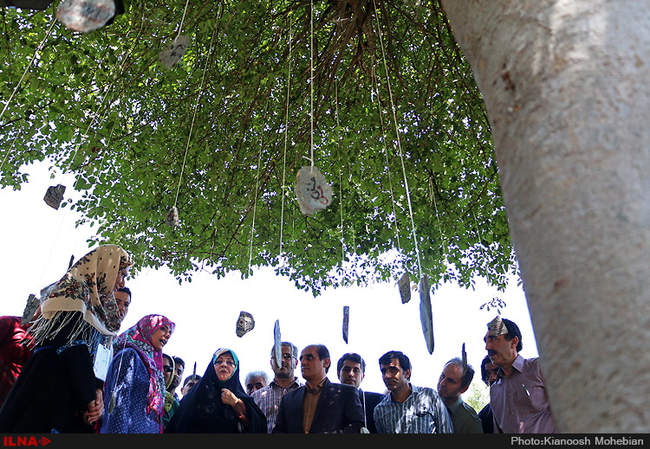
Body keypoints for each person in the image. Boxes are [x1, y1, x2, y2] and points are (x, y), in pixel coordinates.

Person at [0, 244, 132, 433]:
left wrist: (97, 392)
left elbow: (96, 359)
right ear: (107, 268)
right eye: (121, 274)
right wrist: (90, 398)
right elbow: (73, 346)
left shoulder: (102, 310)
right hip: (45, 392)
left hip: (74, 398)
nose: (122, 283)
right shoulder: (75, 292)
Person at [99, 314, 175, 433]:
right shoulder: (130, 355)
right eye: (163, 328)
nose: (168, 335)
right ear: (148, 328)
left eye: (170, 332)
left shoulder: (153, 367)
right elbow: (118, 405)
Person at [484, 315, 558, 433]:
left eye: (493, 339)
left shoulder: (539, 368)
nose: (487, 347)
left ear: (514, 342)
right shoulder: (494, 390)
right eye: (486, 341)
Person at [166, 348, 267, 433]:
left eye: (230, 362)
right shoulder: (193, 398)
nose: (224, 365)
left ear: (236, 369)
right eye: (218, 361)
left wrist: (235, 403)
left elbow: (260, 428)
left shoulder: (244, 400)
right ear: (211, 367)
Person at [273, 344, 364, 434]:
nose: (303, 362)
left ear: (326, 362)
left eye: (309, 358)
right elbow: (279, 431)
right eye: (301, 359)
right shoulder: (288, 399)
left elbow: (356, 427)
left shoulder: (346, 393)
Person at [373, 350, 453, 434]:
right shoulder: (380, 410)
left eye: (393, 370)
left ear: (407, 373)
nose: (387, 376)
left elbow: (446, 430)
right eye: (383, 371)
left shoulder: (429, 396)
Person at [250, 341, 302, 433]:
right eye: (277, 356)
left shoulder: (307, 393)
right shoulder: (256, 397)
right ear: (271, 363)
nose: (281, 360)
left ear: (296, 363)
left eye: (287, 356)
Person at [336, 352, 385, 433]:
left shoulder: (377, 401)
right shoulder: (328, 400)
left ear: (362, 376)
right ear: (338, 374)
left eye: (356, 370)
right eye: (346, 370)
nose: (351, 374)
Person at [437, 357, 482, 433]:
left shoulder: (470, 421)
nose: (442, 383)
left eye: (451, 381)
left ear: (464, 389)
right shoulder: (426, 405)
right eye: (442, 376)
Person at [478, 354, 499, 433]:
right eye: (488, 374)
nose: (492, 377)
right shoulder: (483, 417)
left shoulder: (524, 404)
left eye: (496, 371)